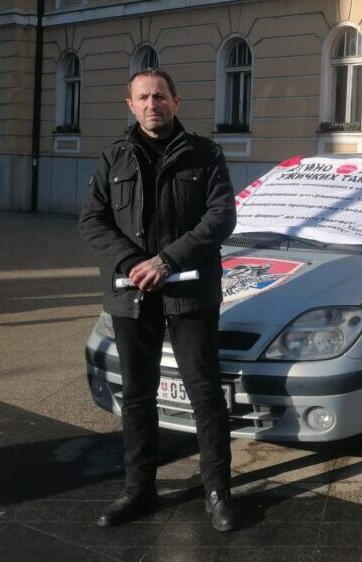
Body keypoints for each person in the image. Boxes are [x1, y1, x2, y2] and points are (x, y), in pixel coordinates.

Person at [78, 69, 239, 531]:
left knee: (204, 393)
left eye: (161, 96)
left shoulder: (206, 154)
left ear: (176, 101)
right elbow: (92, 221)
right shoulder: (113, 157)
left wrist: (165, 261)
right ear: (130, 105)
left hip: (190, 292)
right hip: (132, 294)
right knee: (137, 396)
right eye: (144, 97)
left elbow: (220, 218)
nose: (153, 104)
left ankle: (217, 491)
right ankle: (138, 489)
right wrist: (134, 263)